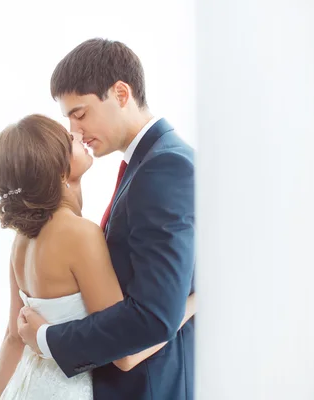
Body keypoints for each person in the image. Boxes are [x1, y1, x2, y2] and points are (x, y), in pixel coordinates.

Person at [16, 38, 196, 400]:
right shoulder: (146, 163)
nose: (75, 131)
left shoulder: (165, 166)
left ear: (121, 92)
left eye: (79, 114)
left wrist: (45, 338)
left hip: (149, 386)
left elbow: (155, 316)